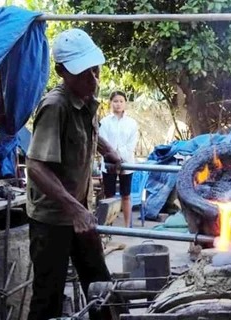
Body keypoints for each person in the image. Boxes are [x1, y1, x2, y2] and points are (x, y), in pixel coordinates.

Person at [26, 28, 123, 319]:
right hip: (53, 219)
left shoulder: (86, 98)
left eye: (95, 71)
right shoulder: (56, 107)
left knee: (100, 284)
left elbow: (87, 132)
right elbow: (35, 166)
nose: (93, 80)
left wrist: (108, 150)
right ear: (61, 71)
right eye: (83, 74)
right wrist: (74, 210)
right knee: (48, 297)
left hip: (80, 211)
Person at [99, 91, 139, 227]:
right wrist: (112, 156)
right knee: (109, 196)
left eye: (121, 101)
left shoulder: (132, 124)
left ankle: (127, 226)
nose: (118, 104)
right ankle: (108, 227)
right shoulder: (104, 123)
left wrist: (118, 155)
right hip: (108, 163)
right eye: (115, 101)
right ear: (111, 103)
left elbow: (131, 146)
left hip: (126, 163)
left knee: (126, 195)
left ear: (125, 103)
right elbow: (103, 143)